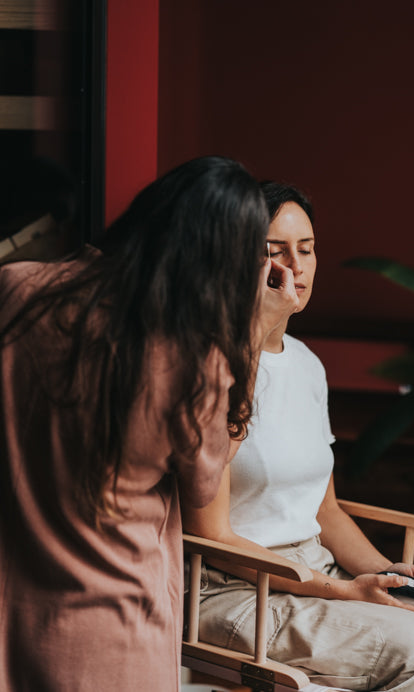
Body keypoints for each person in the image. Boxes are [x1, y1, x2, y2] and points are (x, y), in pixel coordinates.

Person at [0, 157, 297, 692]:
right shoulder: (194, 364)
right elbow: (205, 487)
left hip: (12, 610)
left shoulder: (18, 289)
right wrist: (250, 333)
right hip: (113, 627)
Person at [182, 181, 414, 691]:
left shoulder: (308, 365)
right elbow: (211, 536)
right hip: (235, 586)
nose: (297, 265)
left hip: (314, 569)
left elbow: (324, 510)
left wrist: (385, 574)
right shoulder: (208, 365)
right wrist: (341, 591)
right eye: (275, 251)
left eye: (307, 250)